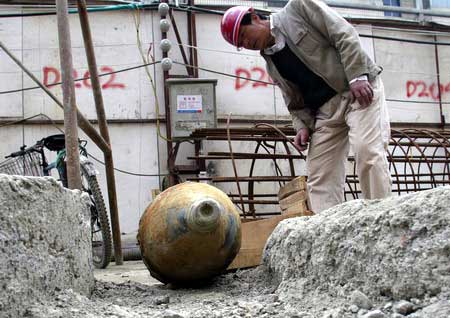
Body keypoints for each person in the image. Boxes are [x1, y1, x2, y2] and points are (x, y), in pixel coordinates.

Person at [220, 0, 392, 213]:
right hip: (327, 112)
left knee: (368, 153)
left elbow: (343, 33)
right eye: (240, 43)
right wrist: (301, 125)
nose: (246, 43)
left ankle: (381, 217)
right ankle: (330, 236)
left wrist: (357, 75)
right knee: (320, 176)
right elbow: (293, 100)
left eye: (244, 34)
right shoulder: (271, 63)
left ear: (255, 17)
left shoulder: (299, 8)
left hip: (358, 90)